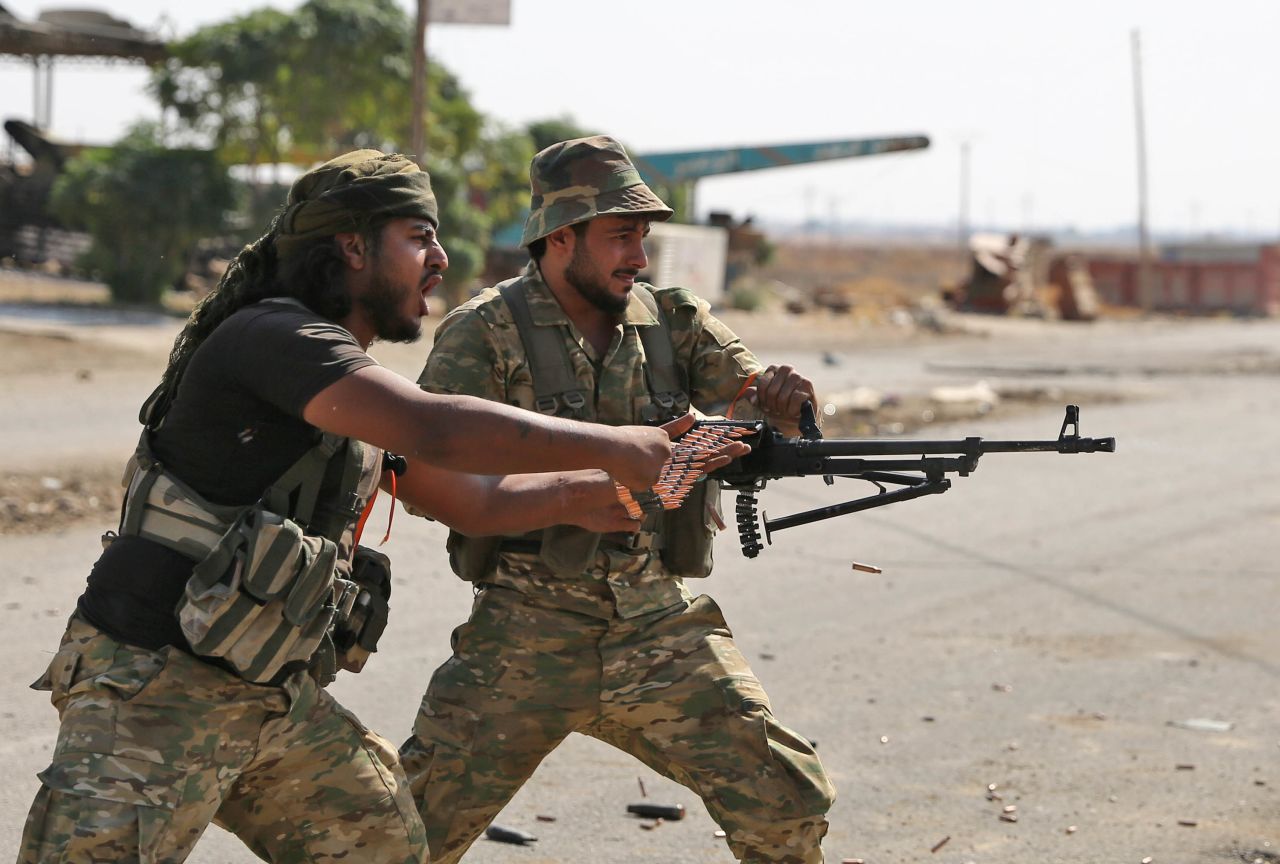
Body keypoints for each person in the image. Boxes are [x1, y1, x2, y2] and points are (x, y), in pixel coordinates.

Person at [16, 148, 690, 864]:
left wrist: (582, 491)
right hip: (154, 693)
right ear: (352, 247)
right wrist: (619, 444)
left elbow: (470, 501)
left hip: (269, 699)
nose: (440, 258)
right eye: (418, 237)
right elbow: (438, 428)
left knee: (381, 845)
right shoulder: (276, 337)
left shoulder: (341, 385)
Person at [399, 136, 836, 864]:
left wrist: (782, 405)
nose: (638, 253)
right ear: (558, 237)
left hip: (658, 627)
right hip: (525, 633)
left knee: (788, 806)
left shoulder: (672, 320)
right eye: (620, 234)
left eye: (643, 234)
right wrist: (561, 495)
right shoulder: (484, 332)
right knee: (403, 840)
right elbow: (424, 479)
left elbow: (750, 393)